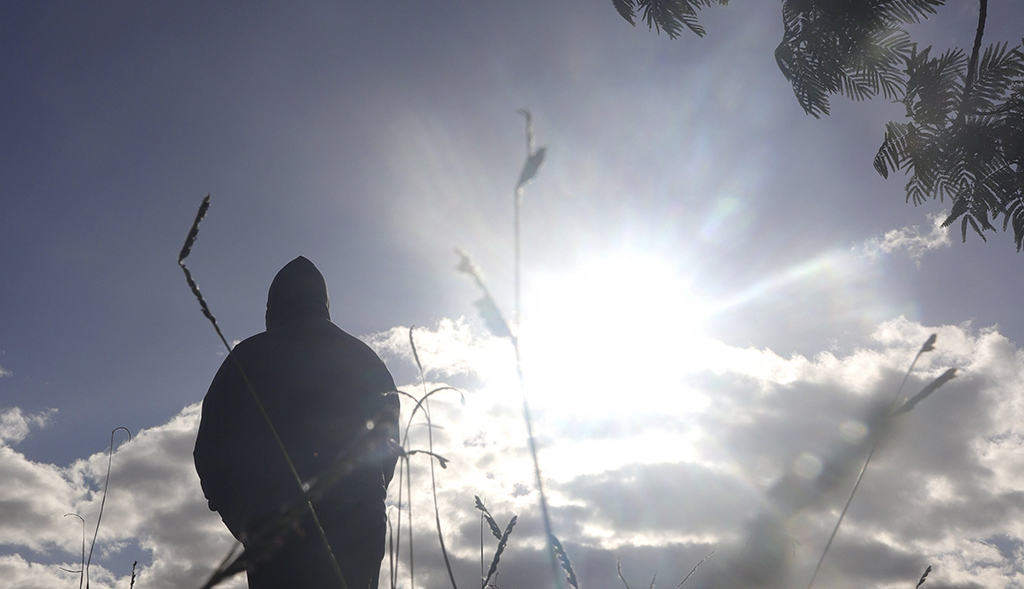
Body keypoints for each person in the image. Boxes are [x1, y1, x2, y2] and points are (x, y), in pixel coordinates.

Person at [194, 256, 400, 589]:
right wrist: (365, 498)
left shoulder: (247, 357)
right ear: (324, 305)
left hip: (275, 519)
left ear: (271, 309)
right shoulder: (367, 360)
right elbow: (387, 451)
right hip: (359, 518)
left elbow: (210, 453)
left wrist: (246, 518)